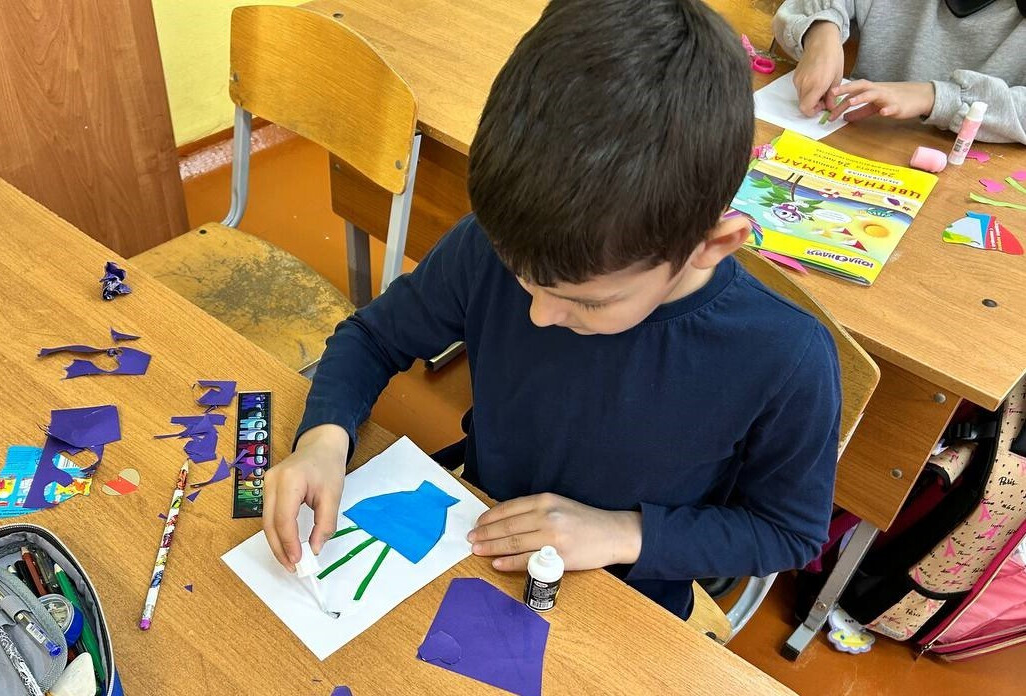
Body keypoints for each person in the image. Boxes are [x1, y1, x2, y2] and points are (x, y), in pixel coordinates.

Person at [263, 0, 841, 620]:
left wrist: (623, 532)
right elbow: (374, 337)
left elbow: (787, 531)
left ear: (712, 245)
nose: (538, 315)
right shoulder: (493, 245)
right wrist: (324, 439)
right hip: (475, 541)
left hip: (622, 599)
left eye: (587, 300)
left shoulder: (786, 359)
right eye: (523, 278)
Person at [774, 0, 1026, 144]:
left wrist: (935, 97)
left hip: (956, 176)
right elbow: (802, 6)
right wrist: (820, 30)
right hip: (849, 142)